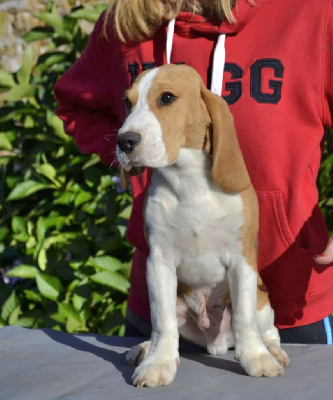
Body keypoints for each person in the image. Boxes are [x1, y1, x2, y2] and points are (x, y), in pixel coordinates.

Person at [54, 0, 333, 344]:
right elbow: (76, 104)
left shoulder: (313, 12)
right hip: (167, 304)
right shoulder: (127, 21)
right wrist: (137, 154)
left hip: (286, 297)